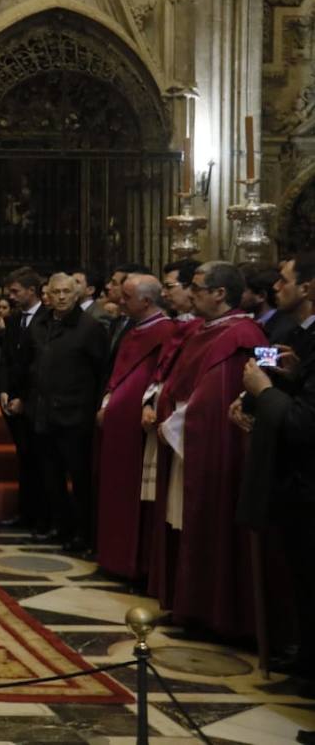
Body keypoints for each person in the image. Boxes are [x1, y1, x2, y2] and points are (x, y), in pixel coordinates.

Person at [148, 261, 265, 640]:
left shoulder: (245, 334)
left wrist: (178, 421)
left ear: (220, 293)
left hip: (214, 448)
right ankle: (187, 605)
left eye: (197, 287)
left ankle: (212, 612)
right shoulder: (203, 330)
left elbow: (244, 389)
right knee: (182, 521)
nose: (191, 292)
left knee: (205, 523)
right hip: (184, 439)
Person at [235, 250, 315, 684]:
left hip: (306, 481)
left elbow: (305, 420)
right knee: (301, 577)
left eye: (283, 280)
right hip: (293, 482)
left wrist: (264, 392)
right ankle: (305, 661)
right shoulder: (294, 333)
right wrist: (280, 382)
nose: (274, 286)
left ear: (307, 287)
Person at [94, 274, 174, 580]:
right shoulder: (132, 328)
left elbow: (158, 379)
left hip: (136, 429)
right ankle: (112, 555)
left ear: (147, 300)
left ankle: (130, 560)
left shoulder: (165, 331)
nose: (119, 301)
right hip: (117, 424)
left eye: (127, 297)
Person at [33, 272, 107, 553]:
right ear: (48, 296)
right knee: (51, 477)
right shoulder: (41, 325)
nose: (61, 297)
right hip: (45, 414)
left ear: (77, 295)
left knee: (79, 479)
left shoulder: (90, 328)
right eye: (56, 292)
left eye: (66, 292)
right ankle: (60, 526)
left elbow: (100, 372)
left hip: (75, 416)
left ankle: (83, 532)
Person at [0, 266, 49, 533]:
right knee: (24, 460)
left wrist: (24, 400)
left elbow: (40, 365)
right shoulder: (14, 320)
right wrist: (4, 390)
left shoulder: (47, 319)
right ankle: (25, 513)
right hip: (12, 402)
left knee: (39, 462)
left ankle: (42, 517)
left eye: (16, 291)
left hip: (34, 404)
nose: (11, 296)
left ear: (32, 290)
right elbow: (6, 359)